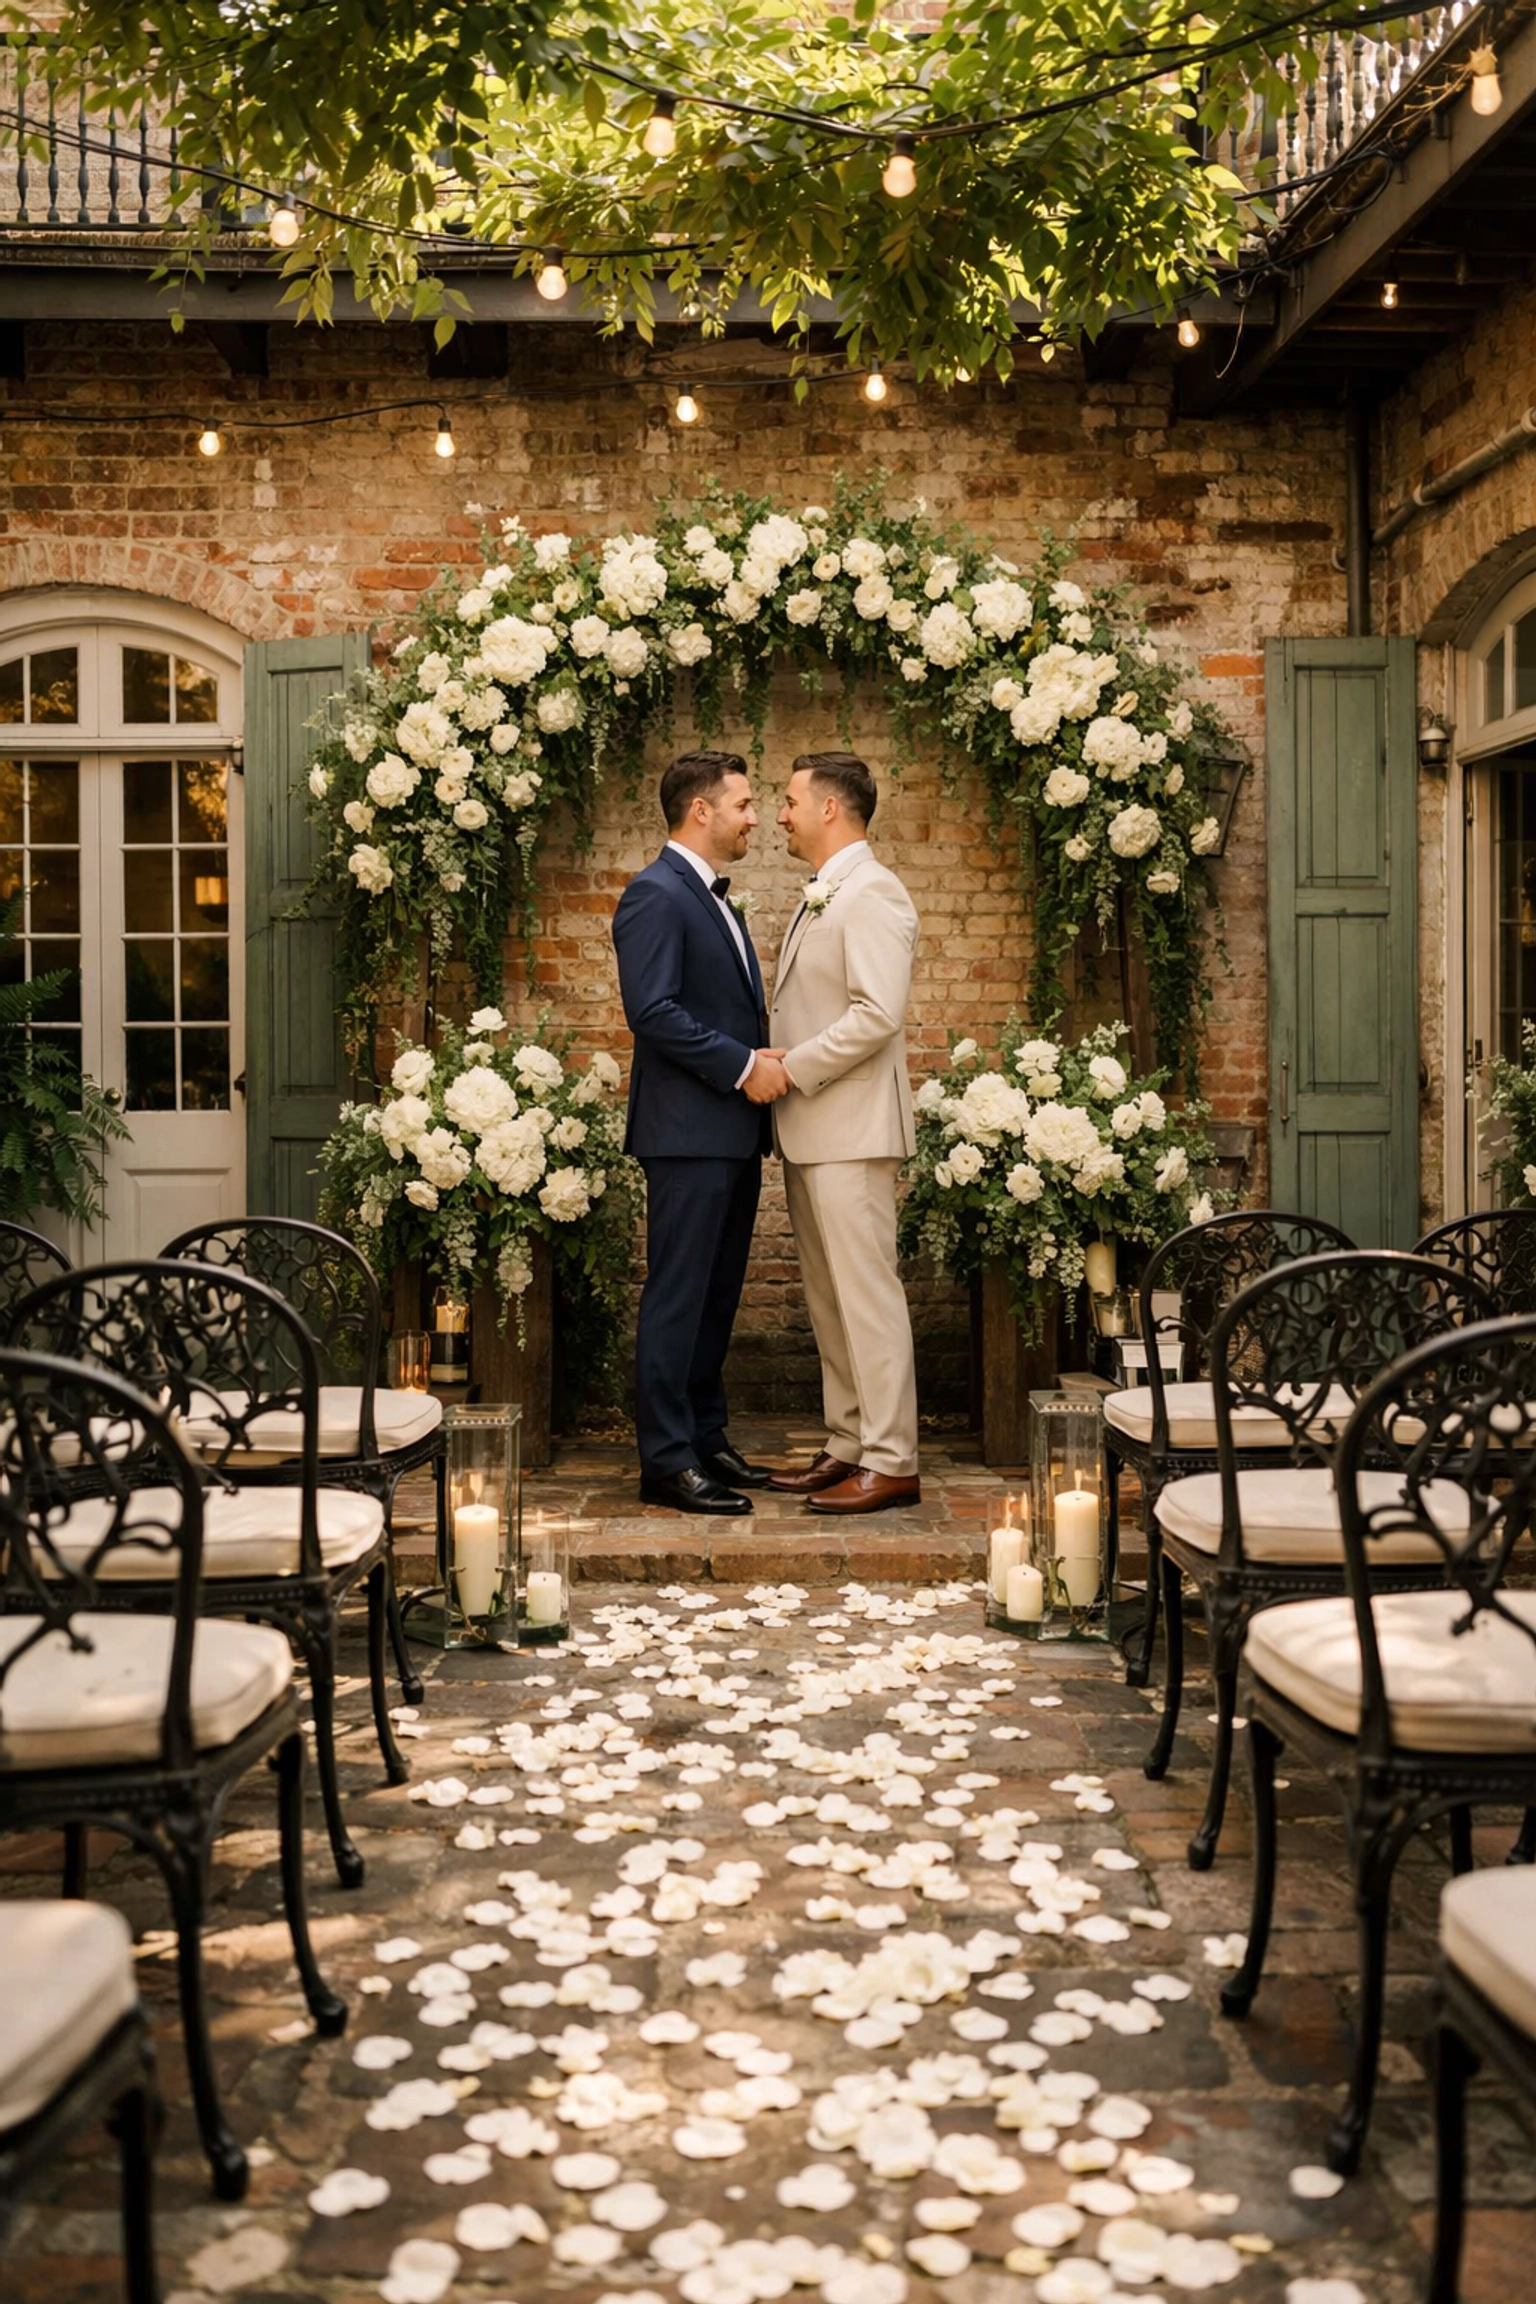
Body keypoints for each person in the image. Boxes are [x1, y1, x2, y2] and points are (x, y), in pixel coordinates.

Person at [611, 751, 788, 1515]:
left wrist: (760, 1055)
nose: (756, 818)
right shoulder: (654, 894)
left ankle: (707, 1436)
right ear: (701, 812)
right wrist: (743, 1063)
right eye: (744, 804)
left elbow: (715, 1005)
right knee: (678, 1297)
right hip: (685, 1132)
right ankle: (666, 1459)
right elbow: (651, 1012)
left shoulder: (715, 897)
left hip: (729, 1129)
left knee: (717, 1298)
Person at [766, 752, 922, 1514]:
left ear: (830, 808)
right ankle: (850, 1441)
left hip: (851, 1125)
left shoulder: (873, 892)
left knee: (867, 1298)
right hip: (812, 1126)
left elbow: (877, 1014)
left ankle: (893, 1458)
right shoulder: (827, 892)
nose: (781, 814)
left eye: (791, 800)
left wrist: (790, 1067)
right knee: (831, 1300)